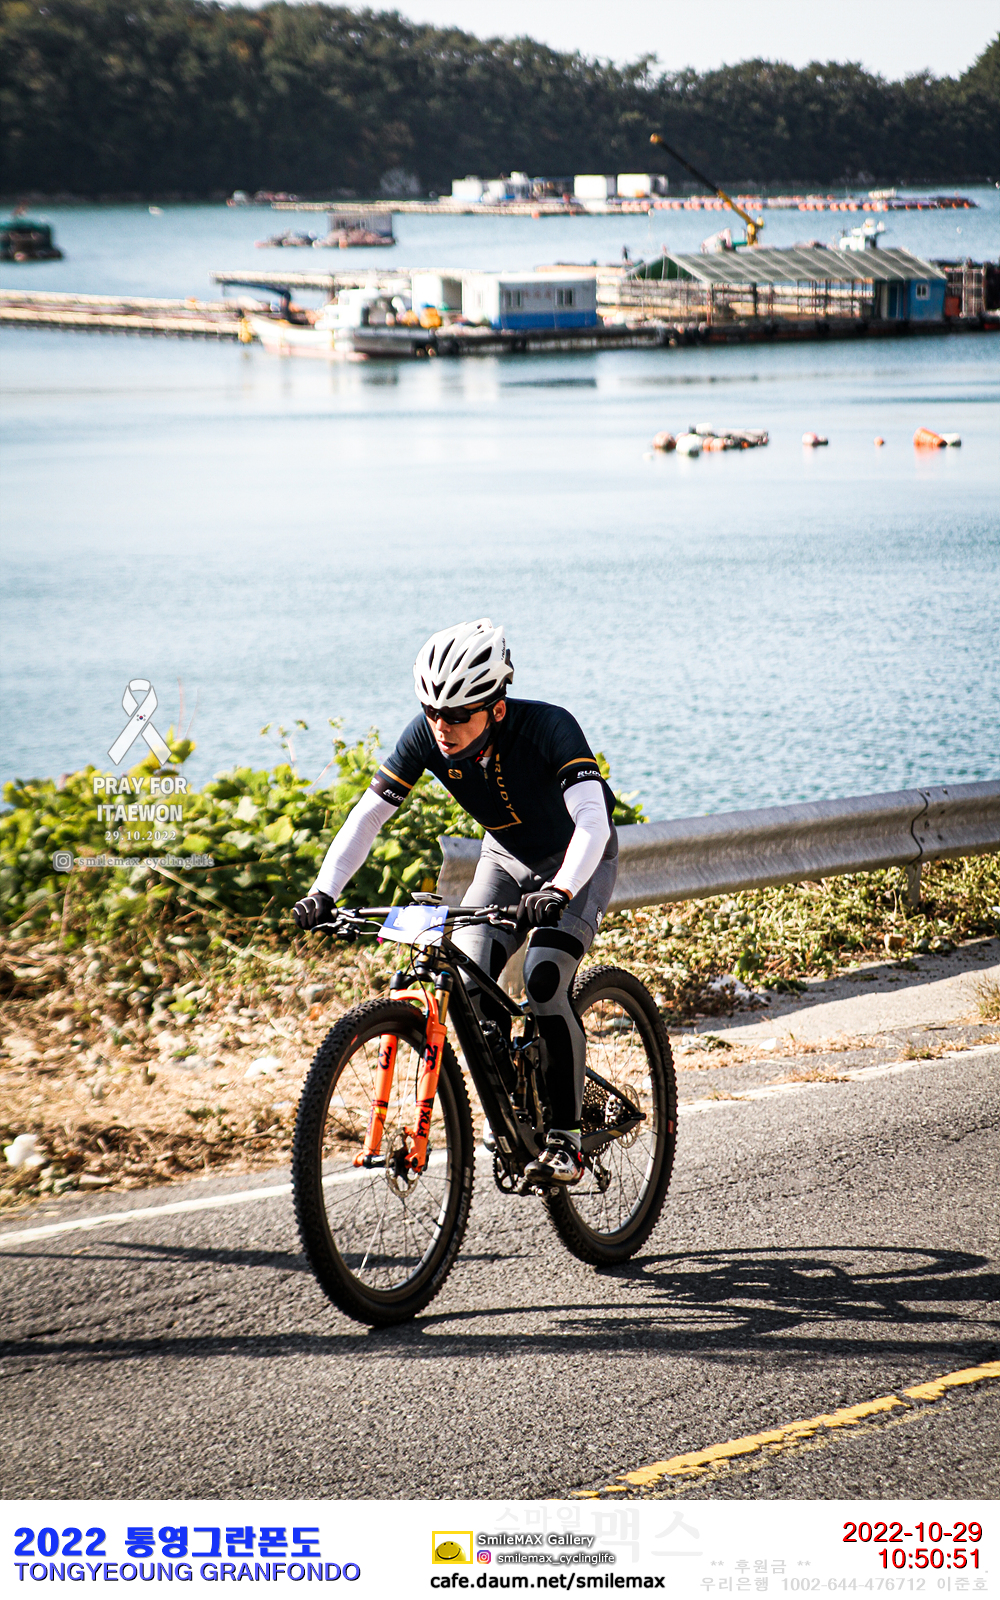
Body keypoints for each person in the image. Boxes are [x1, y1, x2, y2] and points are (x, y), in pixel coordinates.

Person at [292, 619, 618, 1184]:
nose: (442, 727)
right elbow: (368, 816)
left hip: (576, 859)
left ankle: (566, 1137)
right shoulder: (427, 736)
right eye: (431, 712)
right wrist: (325, 891)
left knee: (544, 978)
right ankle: (513, 1106)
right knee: (471, 982)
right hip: (504, 858)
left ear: (495, 708)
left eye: (457, 714)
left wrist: (560, 890)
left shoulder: (549, 727)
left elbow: (592, 821)